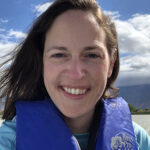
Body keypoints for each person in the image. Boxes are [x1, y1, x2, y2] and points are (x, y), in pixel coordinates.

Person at [0, 0, 150, 150]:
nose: (75, 74)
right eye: (59, 55)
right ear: (42, 63)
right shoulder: (9, 140)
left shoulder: (139, 141)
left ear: (111, 63)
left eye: (91, 55)